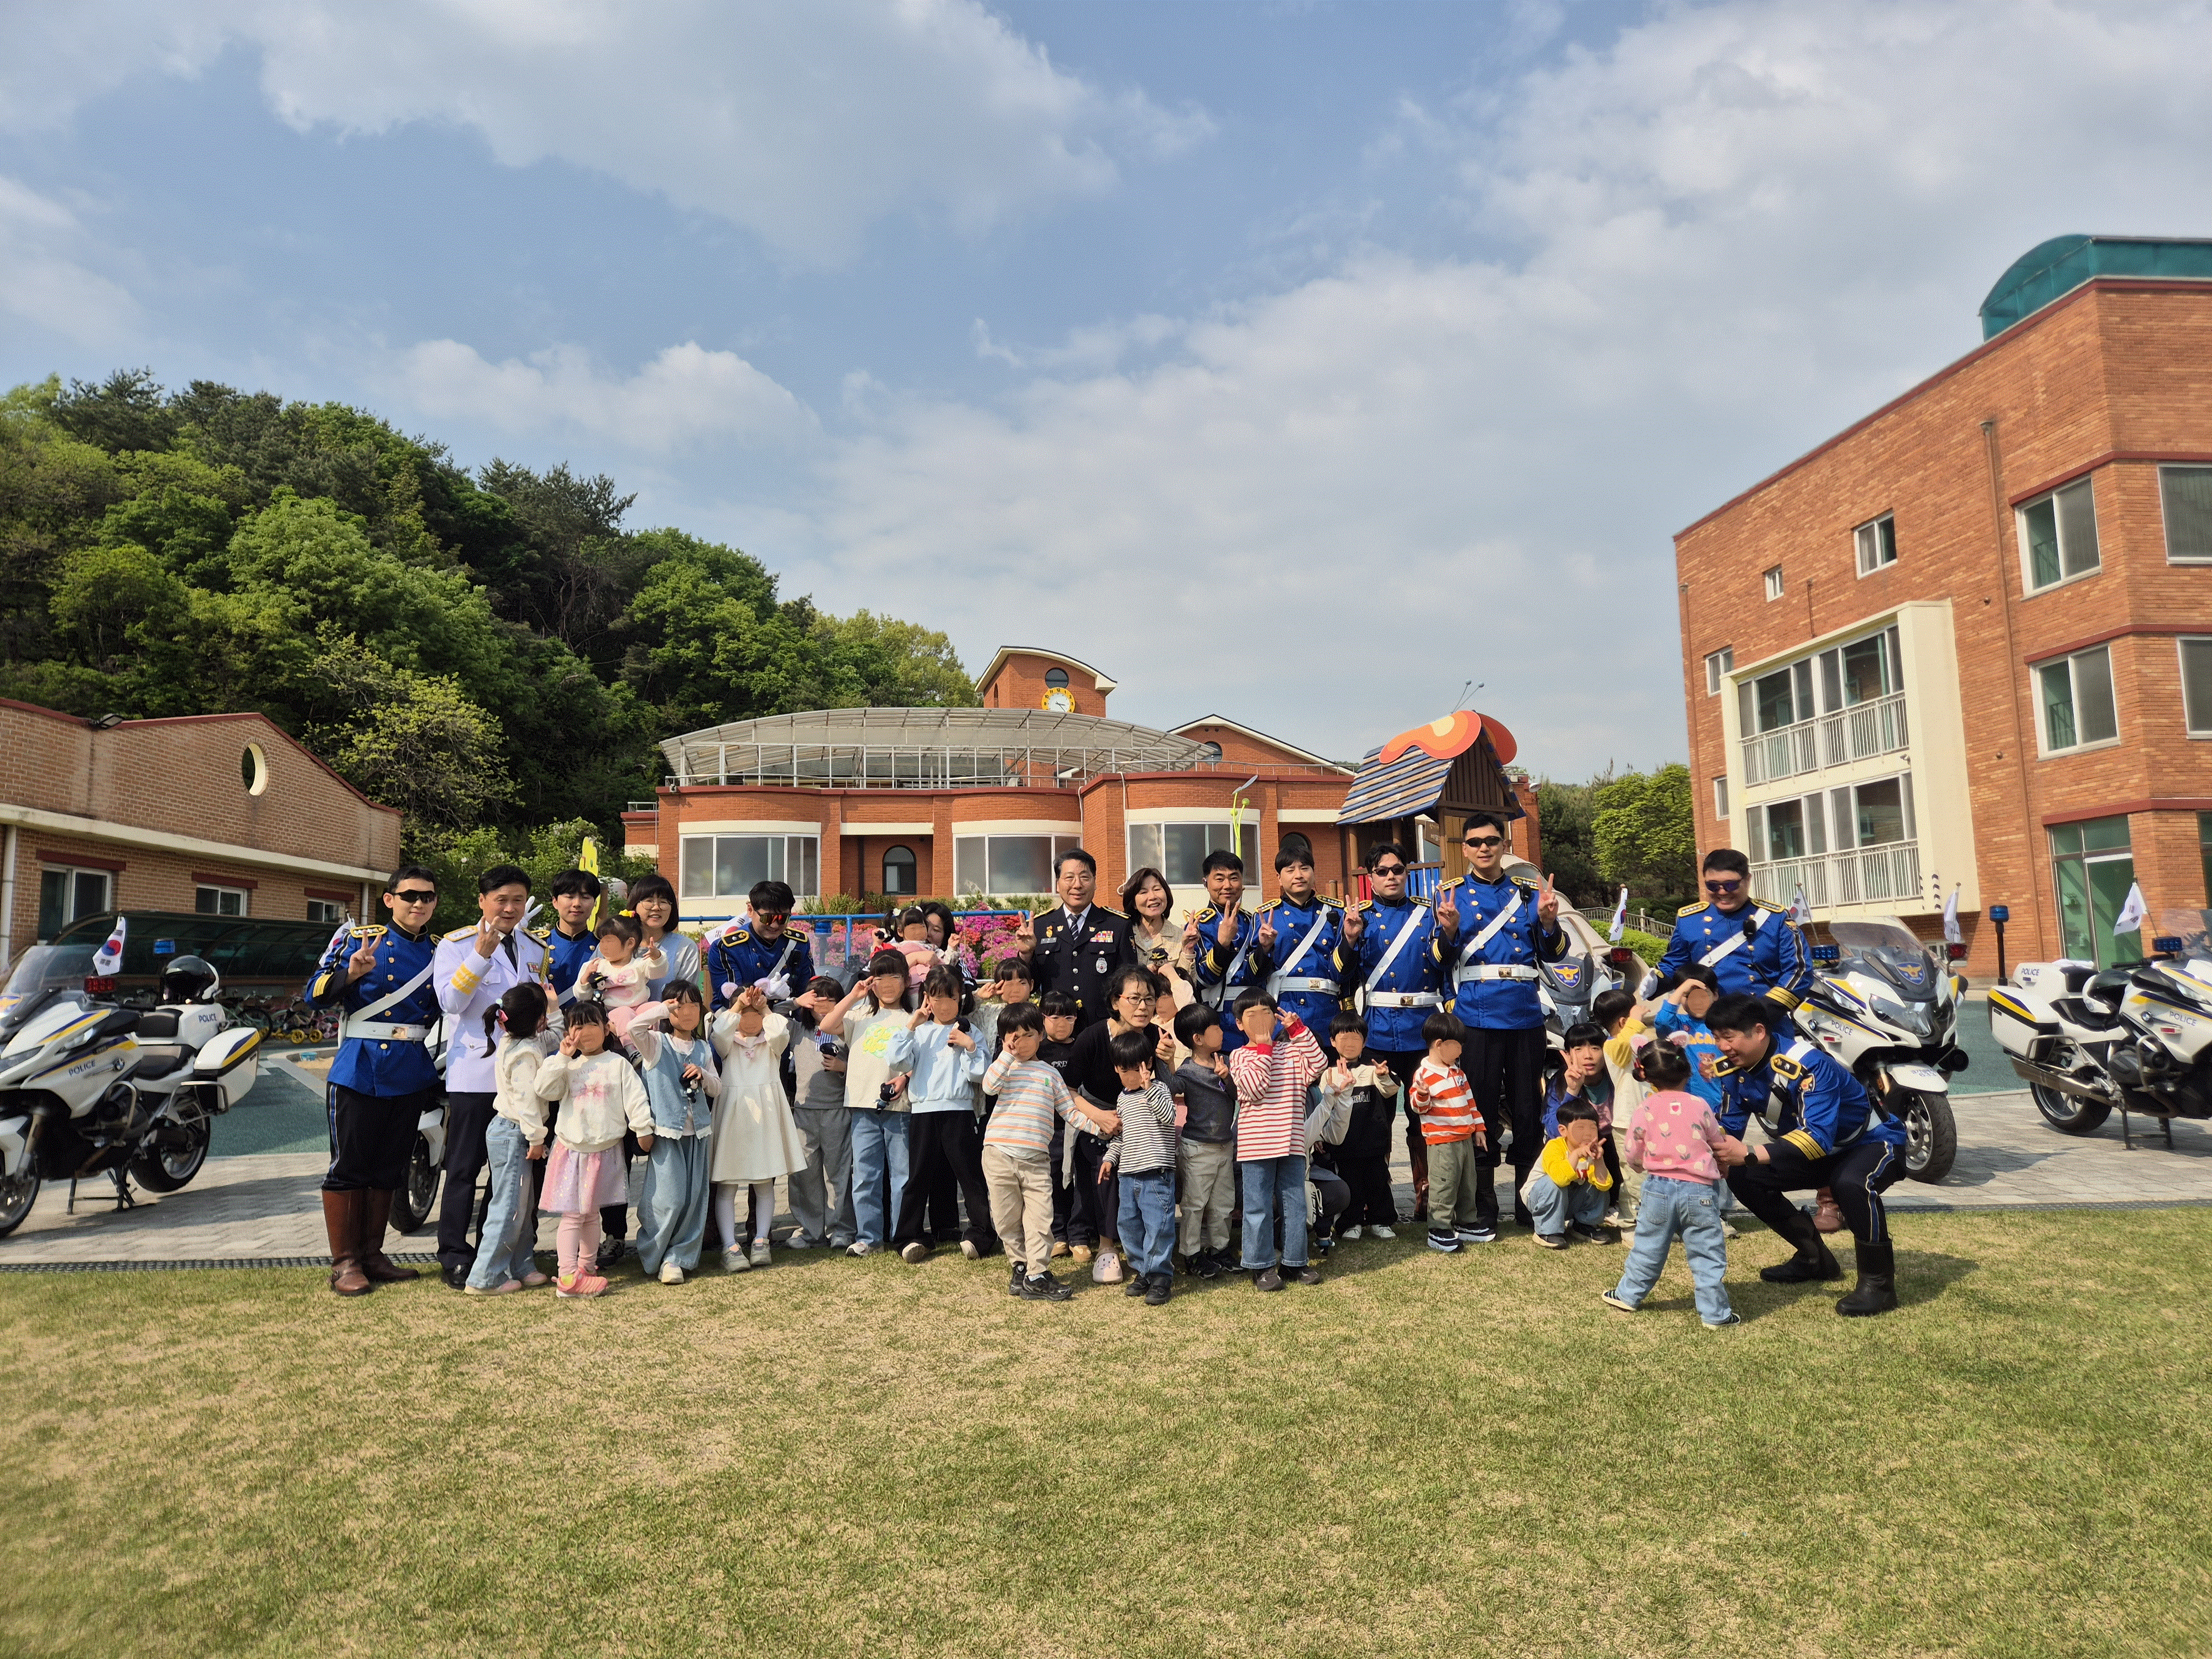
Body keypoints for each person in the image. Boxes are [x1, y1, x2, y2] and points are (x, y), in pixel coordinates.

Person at [1708, 993, 1907, 1316]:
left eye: (1728, 1037)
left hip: (1873, 1142)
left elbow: (1818, 1138)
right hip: (1821, 1152)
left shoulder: (1809, 1064)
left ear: (1759, 1031)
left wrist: (1749, 1153)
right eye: (1717, 1038)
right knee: (1744, 1177)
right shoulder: (1733, 1069)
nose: (1722, 1047)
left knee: (1851, 1184)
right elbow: (1729, 1126)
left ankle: (1879, 1285)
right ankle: (1814, 1258)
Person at [304, 863, 443, 1296]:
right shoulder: (356, 939)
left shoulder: (441, 951)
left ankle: (373, 1254)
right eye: (409, 896)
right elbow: (313, 994)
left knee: (390, 1166)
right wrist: (351, 974)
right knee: (349, 1166)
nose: (418, 903)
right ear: (389, 900)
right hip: (361, 1067)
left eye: (427, 896)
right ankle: (345, 1262)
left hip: (410, 1068)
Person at [1431, 812, 1565, 1232]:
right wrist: (1449, 932)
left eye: (1491, 840)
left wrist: (1548, 921)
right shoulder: (1451, 895)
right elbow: (1438, 962)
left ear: (1504, 844)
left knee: (1528, 1111)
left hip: (1524, 1013)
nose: (1484, 848)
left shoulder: (1528, 895)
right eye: (1475, 842)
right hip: (1478, 1015)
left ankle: (1529, 1203)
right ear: (1465, 849)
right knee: (1482, 1112)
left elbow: (1555, 954)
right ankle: (1482, 1206)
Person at [433, 863, 555, 1289]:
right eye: (501, 900)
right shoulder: (456, 945)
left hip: (524, 1080)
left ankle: (505, 1254)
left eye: (518, 900)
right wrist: (481, 955)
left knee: (517, 1174)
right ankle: (455, 1255)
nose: (510, 908)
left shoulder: (536, 947)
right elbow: (451, 1003)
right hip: (476, 1075)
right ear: (482, 901)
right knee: (464, 1168)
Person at [1341, 842, 1445, 1219]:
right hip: (1380, 1030)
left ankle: (1427, 1194)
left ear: (1407, 872)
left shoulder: (1428, 913)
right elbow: (1344, 976)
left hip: (1422, 1030)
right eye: (1382, 871)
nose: (1391, 877)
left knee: (1424, 1115)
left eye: (1398, 870)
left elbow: (1445, 967)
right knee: (1376, 1120)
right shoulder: (1360, 918)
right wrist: (1351, 939)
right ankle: (1377, 1199)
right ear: (1371, 877)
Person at [1601, 1042, 1738, 1328]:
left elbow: (1633, 1146)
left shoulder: (1645, 1106)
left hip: (1658, 1189)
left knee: (1647, 1247)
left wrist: (1637, 1164)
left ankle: (1628, 1295)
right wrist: (1723, 1166)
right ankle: (1715, 1314)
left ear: (1647, 1076)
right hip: (1699, 1191)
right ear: (1687, 1072)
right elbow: (1717, 1143)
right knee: (1707, 1253)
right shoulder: (1700, 1105)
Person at [1064, 967, 1178, 1283]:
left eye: (1149, 999)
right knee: (1103, 1161)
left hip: (1144, 1120)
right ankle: (1106, 1245)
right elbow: (1067, 1089)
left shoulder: (1157, 1036)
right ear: (1116, 1002)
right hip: (1098, 1117)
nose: (1143, 1007)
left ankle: (1151, 1244)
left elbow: (1170, 1089)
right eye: (1134, 999)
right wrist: (1099, 1117)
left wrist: (1169, 1061)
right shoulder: (1092, 1036)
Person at [533, 999, 654, 1298]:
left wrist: (643, 1128)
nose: (585, 1031)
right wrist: (561, 1058)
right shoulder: (568, 1064)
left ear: (606, 1028)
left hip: (606, 1150)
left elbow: (636, 1099)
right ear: (567, 1033)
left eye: (591, 1024)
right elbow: (545, 1090)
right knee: (574, 1215)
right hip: (572, 1151)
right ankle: (567, 1277)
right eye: (577, 1026)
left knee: (591, 1214)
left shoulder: (618, 1064)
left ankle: (586, 1269)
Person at [886, 967, 997, 1263]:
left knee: (970, 1176)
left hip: (959, 1112)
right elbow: (896, 1061)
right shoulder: (919, 1032)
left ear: (961, 999)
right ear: (927, 999)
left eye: (951, 998)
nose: (944, 1006)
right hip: (923, 1112)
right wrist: (912, 1024)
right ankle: (909, 1237)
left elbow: (980, 1075)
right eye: (937, 999)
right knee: (918, 1176)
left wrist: (969, 1046)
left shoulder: (970, 1032)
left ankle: (981, 1234)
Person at [1227, 989, 1329, 1291]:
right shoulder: (1238, 1056)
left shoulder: (1293, 1051)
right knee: (1258, 1207)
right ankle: (1260, 1265)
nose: (1261, 1021)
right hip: (1256, 1144)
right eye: (1252, 1016)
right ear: (1240, 1024)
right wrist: (1264, 1049)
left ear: (1276, 1018)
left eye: (1266, 1014)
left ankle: (1295, 1263)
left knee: (1295, 1205)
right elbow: (1255, 1088)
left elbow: (1319, 1065)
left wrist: (1298, 1030)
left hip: (1292, 1141)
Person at [979, 1003, 1079, 1302]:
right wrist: (1006, 1055)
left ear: (1040, 1036)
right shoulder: (1004, 1067)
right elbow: (989, 1087)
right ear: (1003, 1040)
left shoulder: (1050, 1074)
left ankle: (1037, 1274)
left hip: (1036, 1160)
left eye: (1028, 1035)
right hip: (998, 1154)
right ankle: (1020, 1266)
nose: (1020, 1042)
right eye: (1013, 1036)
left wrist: (1100, 1128)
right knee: (1005, 1218)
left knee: (1040, 1217)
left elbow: (1070, 1112)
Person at [706, 984, 809, 1271]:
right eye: (744, 1013)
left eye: (756, 1013)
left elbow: (781, 1034)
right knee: (727, 1183)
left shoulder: (772, 1044)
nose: (749, 1018)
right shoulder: (727, 1043)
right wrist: (738, 1006)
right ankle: (730, 1245)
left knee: (765, 1181)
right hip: (733, 1116)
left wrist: (765, 1008)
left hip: (766, 1115)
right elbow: (718, 1034)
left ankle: (761, 1240)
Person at [461, 983, 556, 1296]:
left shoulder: (514, 1040)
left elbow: (553, 1037)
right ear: (537, 1020)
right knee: (509, 1206)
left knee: (522, 1205)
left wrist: (552, 1009)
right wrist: (537, 1138)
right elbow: (527, 1101)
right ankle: (485, 1277)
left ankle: (521, 1266)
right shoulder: (526, 1053)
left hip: (511, 1130)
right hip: (517, 1132)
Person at [628, 986, 720, 1284]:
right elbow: (633, 1028)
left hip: (699, 1132)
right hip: (667, 1134)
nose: (688, 1012)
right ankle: (654, 1252)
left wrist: (704, 1075)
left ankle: (677, 1259)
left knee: (694, 1200)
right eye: (680, 1005)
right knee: (668, 1199)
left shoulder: (703, 1048)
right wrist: (660, 1009)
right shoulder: (656, 1043)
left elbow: (717, 1088)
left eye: (694, 1005)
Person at [1656, 849, 1812, 1021]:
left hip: (1762, 1019)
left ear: (1748, 880)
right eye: (1713, 886)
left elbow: (1799, 970)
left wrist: (1764, 1010)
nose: (1722, 892)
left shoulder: (1775, 918)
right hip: (1707, 1023)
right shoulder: (1689, 920)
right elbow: (1675, 965)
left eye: (1731, 885)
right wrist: (1653, 982)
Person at [830, 950, 915, 1256]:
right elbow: (827, 1025)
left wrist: (905, 1078)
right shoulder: (859, 1015)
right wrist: (853, 996)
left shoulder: (912, 1018)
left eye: (895, 976)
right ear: (871, 981)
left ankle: (903, 1236)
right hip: (862, 1106)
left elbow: (921, 1060)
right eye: (880, 976)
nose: (888, 984)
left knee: (902, 1175)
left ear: (906, 981)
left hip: (900, 1107)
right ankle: (868, 1238)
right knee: (865, 1175)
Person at [1018, 847, 1135, 1029]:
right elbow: (1029, 985)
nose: (1077, 885)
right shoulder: (1039, 927)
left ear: (1095, 883)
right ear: (1058, 884)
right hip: (1056, 1031)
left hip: (1104, 1029)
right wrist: (1026, 955)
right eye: (1069, 878)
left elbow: (1130, 981)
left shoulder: (1117, 925)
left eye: (1085, 877)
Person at [1106, 1027, 1179, 1305]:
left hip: (1156, 1174)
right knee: (1128, 1225)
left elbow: (1168, 1117)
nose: (1131, 1076)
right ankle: (1143, 1271)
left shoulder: (1159, 1089)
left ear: (1148, 1064)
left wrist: (1149, 1089)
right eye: (1124, 1070)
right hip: (1128, 1174)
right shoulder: (1122, 1098)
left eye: (1137, 1069)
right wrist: (1111, 1159)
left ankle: (1161, 1275)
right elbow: (1121, 1136)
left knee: (1158, 1225)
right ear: (1117, 1069)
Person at [783, 975, 857, 1251]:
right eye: (817, 1002)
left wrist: (843, 1067)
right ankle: (810, 1231)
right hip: (803, 1111)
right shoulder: (798, 1029)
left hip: (837, 1110)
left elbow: (866, 1064)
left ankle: (841, 1230)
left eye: (831, 1002)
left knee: (839, 1174)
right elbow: (770, 1016)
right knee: (804, 1174)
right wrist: (795, 1001)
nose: (823, 1008)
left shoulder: (847, 1029)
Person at [1409, 1010, 1488, 1254]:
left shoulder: (1458, 1073)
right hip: (1442, 1141)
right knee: (1444, 1184)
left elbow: (1470, 1102)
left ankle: (1466, 1222)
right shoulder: (1423, 1075)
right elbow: (1418, 1107)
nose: (1461, 1052)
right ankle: (1439, 1228)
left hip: (1464, 1139)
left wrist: (1479, 1128)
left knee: (1467, 1183)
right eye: (1457, 1046)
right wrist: (1422, 1094)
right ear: (1439, 1045)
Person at [1170, 1000, 1238, 1277]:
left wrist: (1228, 1078)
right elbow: (1170, 1088)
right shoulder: (1187, 1071)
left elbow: (1238, 1096)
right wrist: (1166, 1062)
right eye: (1216, 1028)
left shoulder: (1227, 1063)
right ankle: (1191, 1253)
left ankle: (1220, 1249)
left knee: (1224, 1203)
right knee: (1194, 1204)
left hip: (1224, 1144)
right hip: (1197, 1147)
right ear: (1198, 1039)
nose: (1222, 1032)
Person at [1252, 844, 1352, 1035]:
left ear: (1314, 873)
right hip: (1283, 1012)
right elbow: (1254, 977)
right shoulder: (1265, 916)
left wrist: (1351, 939)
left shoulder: (1336, 913)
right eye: (1290, 870)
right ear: (1279, 878)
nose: (1298, 875)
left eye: (1305, 868)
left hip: (1326, 1012)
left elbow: (1345, 974)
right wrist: (1264, 948)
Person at [1320, 1011, 1400, 1239]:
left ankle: (1381, 1221)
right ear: (1333, 1041)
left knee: (1378, 1182)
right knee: (1350, 1183)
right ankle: (1350, 1223)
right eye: (1344, 1038)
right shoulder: (1328, 1073)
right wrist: (1320, 1136)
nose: (1350, 1044)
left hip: (1373, 1141)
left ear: (1365, 1042)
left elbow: (1390, 1090)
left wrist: (1383, 1075)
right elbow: (1324, 1108)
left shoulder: (1373, 1069)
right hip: (1344, 1144)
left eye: (1356, 1039)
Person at [1191, 849, 1265, 1050]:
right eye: (1219, 879)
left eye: (1234, 878)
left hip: (1253, 1016)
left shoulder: (1253, 921)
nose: (1227, 886)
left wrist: (1266, 948)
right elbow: (1206, 977)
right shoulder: (1200, 924)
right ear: (1206, 883)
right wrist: (1223, 944)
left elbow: (1259, 975)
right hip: (1217, 1015)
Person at [706, 879, 817, 1010]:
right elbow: (731, 999)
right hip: (741, 1019)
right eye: (767, 918)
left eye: (782, 919)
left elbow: (808, 990)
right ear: (750, 910)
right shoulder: (726, 948)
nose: (774, 925)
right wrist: (766, 994)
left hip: (787, 1017)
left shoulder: (798, 944)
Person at [1525, 1099, 1615, 1249]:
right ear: (1563, 1131)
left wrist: (1599, 1160)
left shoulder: (1592, 1151)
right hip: (1541, 1198)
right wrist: (1576, 1155)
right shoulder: (1554, 1147)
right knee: (1553, 1184)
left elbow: (1605, 1185)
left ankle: (1585, 1225)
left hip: (1569, 1199)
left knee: (1600, 1183)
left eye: (1592, 1129)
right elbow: (1559, 1179)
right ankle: (1547, 1230)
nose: (1587, 1134)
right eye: (1580, 1128)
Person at [1037, 990, 1083, 1255]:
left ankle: (1079, 1236)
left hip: (1078, 1126)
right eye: (1054, 1017)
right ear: (1043, 1019)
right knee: (1052, 1180)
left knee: (1080, 1181)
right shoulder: (1038, 1050)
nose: (1061, 1023)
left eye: (1068, 1017)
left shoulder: (1083, 1046)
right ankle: (1057, 1234)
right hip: (1049, 1128)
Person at [576, 912, 665, 1039]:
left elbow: (658, 972)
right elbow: (581, 996)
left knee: (657, 1008)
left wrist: (656, 958)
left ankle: (652, 1040)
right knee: (624, 1013)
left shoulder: (639, 965)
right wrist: (586, 978)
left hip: (639, 1009)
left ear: (630, 944)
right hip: (611, 1014)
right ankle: (631, 1047)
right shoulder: (596, 966)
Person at [1122, 865, 1197, 1007]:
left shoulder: (1180, 936)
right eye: (1143, 892)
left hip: (1168, 1015)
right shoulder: (1124, 934)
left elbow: (1188, 987)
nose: (1152, 897)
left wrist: (1188, 950)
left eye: (1157, 889)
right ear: (1134, 904)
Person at [629, 873, 700, 1000]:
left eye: (663, 902)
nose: (657, 907)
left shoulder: (685, 948)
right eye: (649, 901)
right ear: (634, 906)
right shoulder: (615, 942)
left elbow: (685, 1001)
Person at [539, 867, 602, 1008]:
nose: (577, 904)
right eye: (570, 897)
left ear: (595, 904)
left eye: (585, 898)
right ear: (555, 902)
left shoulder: (602, 948)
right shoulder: (539, 944)